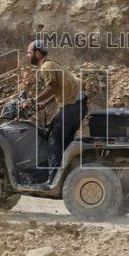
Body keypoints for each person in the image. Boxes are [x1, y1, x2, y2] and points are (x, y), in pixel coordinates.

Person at [21, 39, 87, 174]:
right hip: (79, 108)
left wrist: (32, 101)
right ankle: (68, 175)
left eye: (29, 53)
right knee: (65, 144)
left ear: (37, 53)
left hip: (70, 108)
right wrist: (44, 103)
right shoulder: (55, 65)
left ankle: (54, 178)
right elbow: (60, 88)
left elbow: (53, 86)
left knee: (53, 140)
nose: (28, 56)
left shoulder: (46, 66)